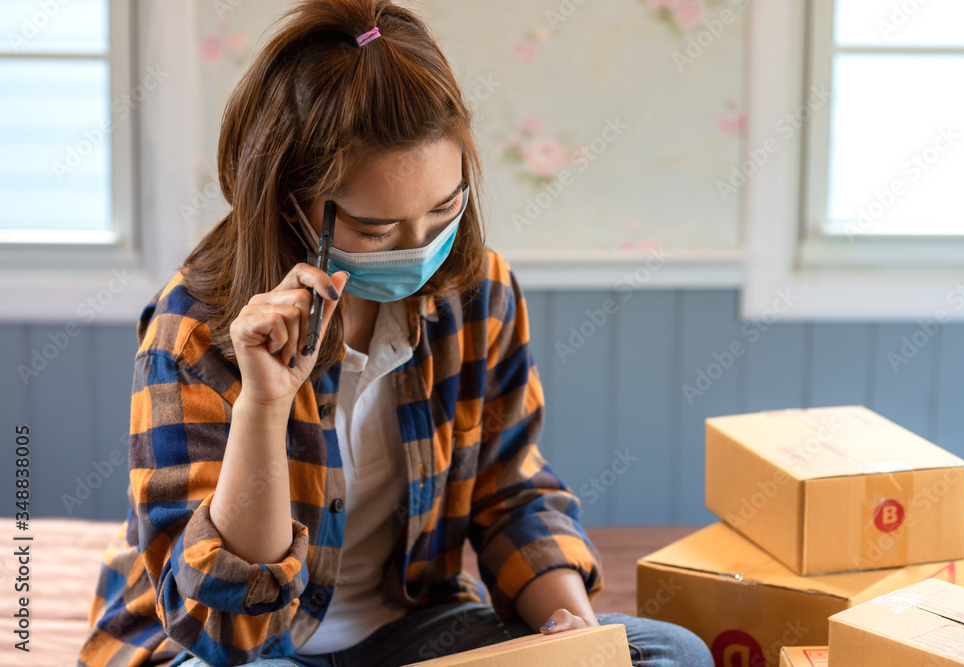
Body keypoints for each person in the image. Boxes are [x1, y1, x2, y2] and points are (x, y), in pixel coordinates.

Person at [77, 1, 713, 666]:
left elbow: (512, 488)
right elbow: (227, 635)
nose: (420, 249)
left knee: (669, 653)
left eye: (443, 209)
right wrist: (262, 408)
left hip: (411, 635)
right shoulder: (192, 333)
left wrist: (579, 636)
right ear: (291, 201)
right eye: (375, 230)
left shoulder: (479, 293)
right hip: (233, 649)